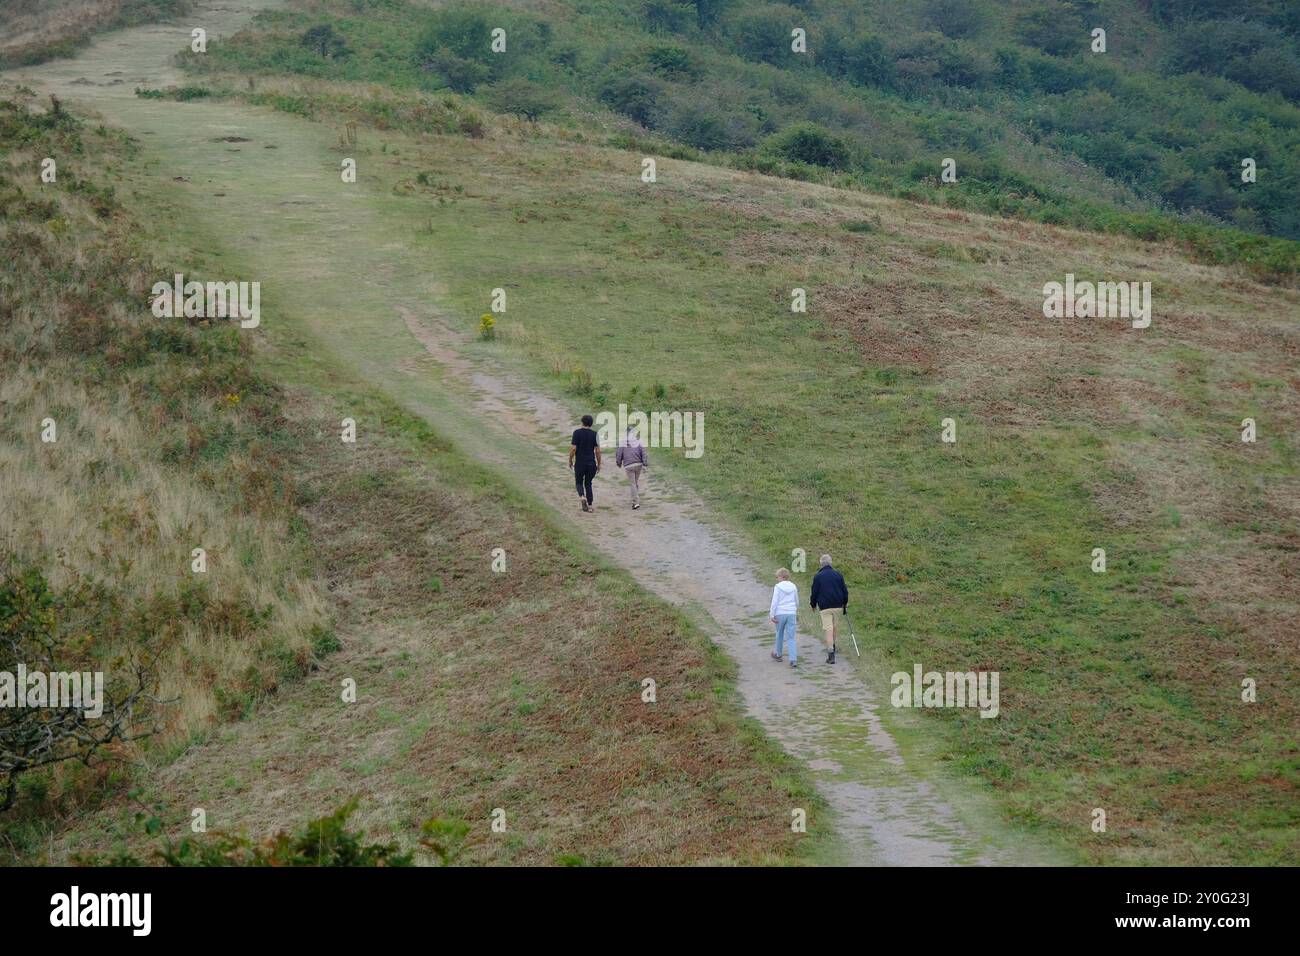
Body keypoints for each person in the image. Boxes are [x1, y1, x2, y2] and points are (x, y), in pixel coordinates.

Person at [809, 554, 848, 664]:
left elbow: (814, 592)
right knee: (834, 628)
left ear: (821, 564)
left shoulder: (818, 576)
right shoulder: (838, 575)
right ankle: (833, 647)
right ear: (831, 563)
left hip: (825, 607)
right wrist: (845, 603)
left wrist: (813, 605)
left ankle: (831, 654)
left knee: (828, 629)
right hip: (838, 605)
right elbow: (845, 591)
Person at [568, 414, 601, 512]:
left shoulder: (577, 433)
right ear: (591, 424)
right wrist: (599, 464)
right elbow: (598, 451)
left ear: (582, 422)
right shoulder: (595, 434)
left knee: (578, 482)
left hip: (580, 463)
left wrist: (570, 459)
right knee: (588, 483)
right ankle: (590, 506)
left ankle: (582, 496)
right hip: (591, 463)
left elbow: (574, 448)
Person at [769, 568, 798, 667]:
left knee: (779, 633)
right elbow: (796, 600)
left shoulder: (778, 587)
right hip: (791, 613)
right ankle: (793, 659)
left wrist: (772, 614)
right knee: (791, 637)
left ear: (781, 577)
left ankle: (778, 654)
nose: (777, 579)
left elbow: (775, 601)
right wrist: (795, 610)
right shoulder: (793, 586)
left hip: (780, 613)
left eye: (777, 577)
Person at [614, 425, 649, 509]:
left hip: (629, 465)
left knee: (633, 483)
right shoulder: (639, 441)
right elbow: (644, 452)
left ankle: (635, 502)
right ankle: (636, 499)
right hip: (638, 464)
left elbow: (619, 453)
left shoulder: (623, 442)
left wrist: (618, 463)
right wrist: (645, 463)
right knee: (635, 482)